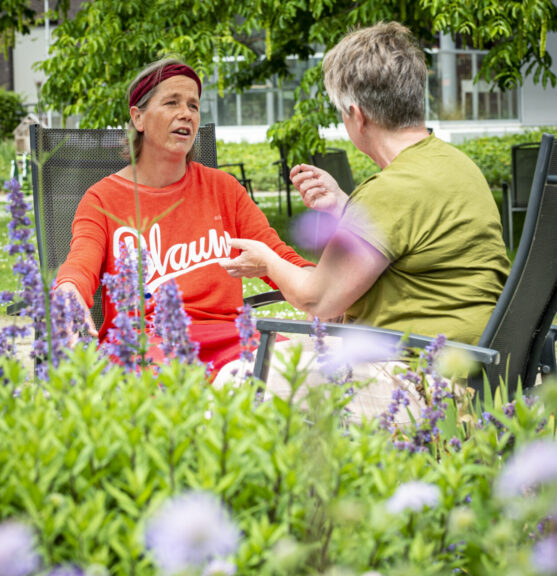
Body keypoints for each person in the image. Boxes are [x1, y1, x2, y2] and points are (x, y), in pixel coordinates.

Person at [219, 22, 510, 418]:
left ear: (357, 115)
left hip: (424, 382)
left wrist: (267, 261)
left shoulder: (391, 191)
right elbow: (414, 243)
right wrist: (346, 207)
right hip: (478, 371)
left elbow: (318, 300)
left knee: (234, 380)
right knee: (281, 358)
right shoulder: (454, 165)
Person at [55, 57, 314, 374]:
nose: (186, 114)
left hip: (232, 342)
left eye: (193, 105)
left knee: (304, 376)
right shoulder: (103, 199)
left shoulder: (223, 190)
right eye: (172, 102)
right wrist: (68, 290)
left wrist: (321, 287)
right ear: (138, 117)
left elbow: (276, 256)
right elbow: (81, 262)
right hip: (148, 347)